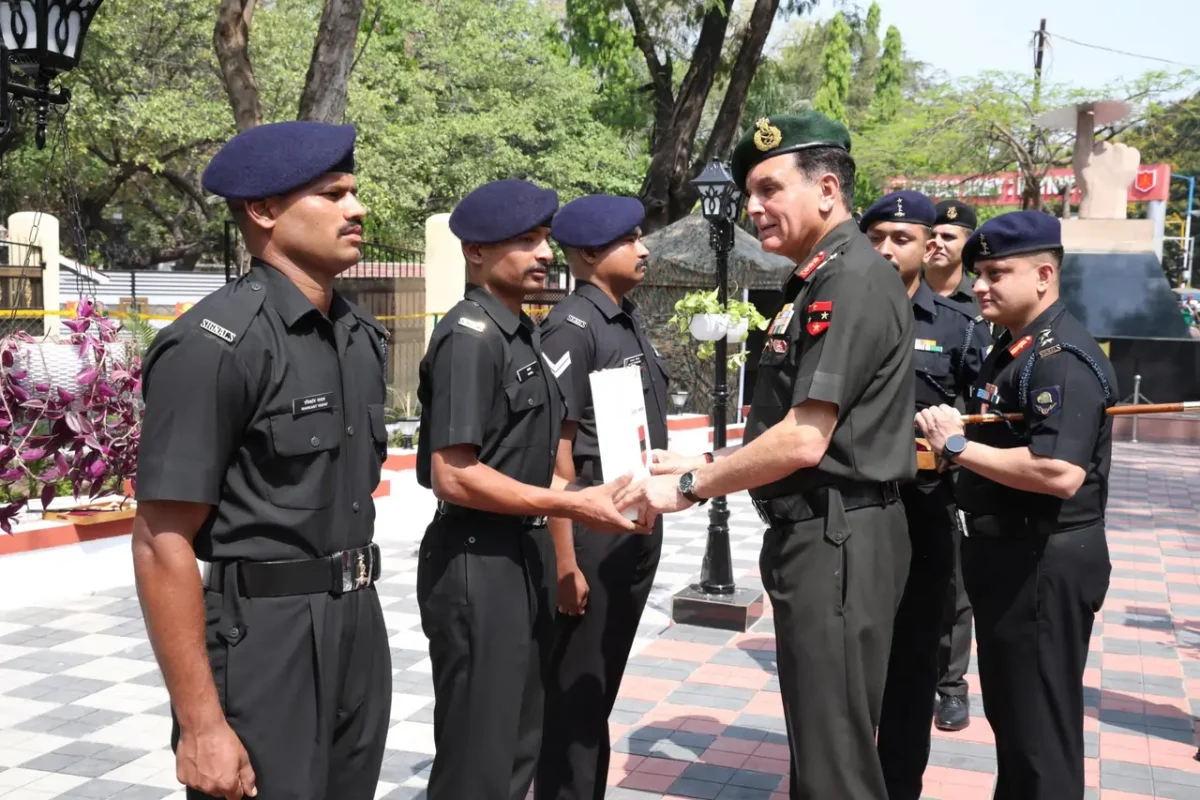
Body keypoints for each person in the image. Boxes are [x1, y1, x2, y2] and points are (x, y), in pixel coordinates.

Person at [617, 111, 917, 799]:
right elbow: (797, 426)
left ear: (827, 190)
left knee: (836, 761)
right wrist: (706, 456)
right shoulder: (816, 278)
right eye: (750, 191)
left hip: (837, 535)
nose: (753, 207)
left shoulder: (848, 279)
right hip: (821, 531)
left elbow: (807, 438)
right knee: (821, 749)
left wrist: (695, 483)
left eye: (769, 188)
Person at [132, 121, 393, 800]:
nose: (356, 209)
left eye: (355, 193)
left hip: (359, 622)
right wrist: (199, 725)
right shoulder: (214, 346)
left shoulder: (361, 338)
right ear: (264, 210)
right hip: (264, 640)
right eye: (333, 194)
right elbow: (163, 542)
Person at [415, 179, 646, 800]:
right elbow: (454, 473)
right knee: (478, 759)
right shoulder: (471, 336)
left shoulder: (521, 332)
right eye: (524, 240)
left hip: (523, 552)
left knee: (519, 746)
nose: (543, 253)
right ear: (476, 254)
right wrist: (570, 504)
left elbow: (544, 454)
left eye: (544, 239)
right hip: (476, 557)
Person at [915, 210, 1115, 800]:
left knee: (1039, 730)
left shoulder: (1058, 358)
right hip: (1009, 553)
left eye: (997, 273)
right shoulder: (1012, 346)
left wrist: (955, 445)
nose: (980, 285)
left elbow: (1058, 472)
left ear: (1044, 275)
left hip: (1042, 559)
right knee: (1016, 719)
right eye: (978, 273)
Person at [534, 195, 670, 800]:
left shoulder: (624, 316)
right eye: (629, 239)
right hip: (590, 528)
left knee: (598, 689)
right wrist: (565, 561)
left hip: (630, 526)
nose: (643, 249)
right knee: (574, 695)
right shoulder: (573, 324)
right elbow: (555, 453)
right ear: (589, 252)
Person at [860, 191, 991, 800]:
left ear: (926, 247)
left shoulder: (959, 327)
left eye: (902, 238)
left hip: (924, 511)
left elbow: (986, 418)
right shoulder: (841, 315)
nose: (886, 250)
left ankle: (899, 785)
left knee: (913, 663)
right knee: (852, 666)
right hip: (856, 515)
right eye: (876, 236)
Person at [925, 198, 983, 731]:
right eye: (933, 233)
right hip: (896, 467)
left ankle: (951, 686)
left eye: (950, 234)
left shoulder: (979, 308)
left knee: (953, 585)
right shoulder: (896, 299)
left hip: (954, 468)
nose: (938, 242)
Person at [925, 200, 979, 305]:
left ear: (968, 244)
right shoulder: (906, 291)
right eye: (932, 236)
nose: (937, 243)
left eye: (947, 237)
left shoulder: (982, 296)